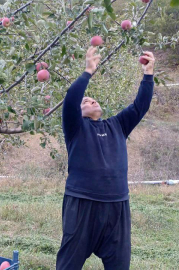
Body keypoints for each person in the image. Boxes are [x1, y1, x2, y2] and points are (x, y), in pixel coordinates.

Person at [56, 47, 155, 270]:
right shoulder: (75, 129)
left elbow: (140, 106)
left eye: (93, 100)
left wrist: (148, 75)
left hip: (117, 206)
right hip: (82, 203)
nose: (91, 101)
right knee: (68, 266)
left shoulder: (117, 125)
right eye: (86, 101)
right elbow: (71, 100)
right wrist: (88, 71)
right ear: (78, 112)